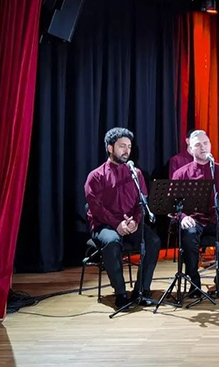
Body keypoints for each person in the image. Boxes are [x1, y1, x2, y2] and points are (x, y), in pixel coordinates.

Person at [85, 127, 160, 308]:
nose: (127, 150)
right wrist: (117, 224)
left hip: (130, 223)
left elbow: (142, 202)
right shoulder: (96, 176)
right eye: (122, 146)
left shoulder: (136, 173)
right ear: (110, 148)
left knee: (153, 241)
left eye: (129, 146)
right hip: (104, 225)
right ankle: (120, 293)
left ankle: (142, 291)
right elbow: (96, 208)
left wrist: (135, 221)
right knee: (112, 242)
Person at [172, 130, 219, 295]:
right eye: (198, 145)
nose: (203, 147)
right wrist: (182, 217)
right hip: (194, 221)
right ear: (190, 149)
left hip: (216, 220)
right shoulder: (181, 174)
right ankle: (194, 280)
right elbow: (173, 205)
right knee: (189, 234)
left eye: (205, 143)